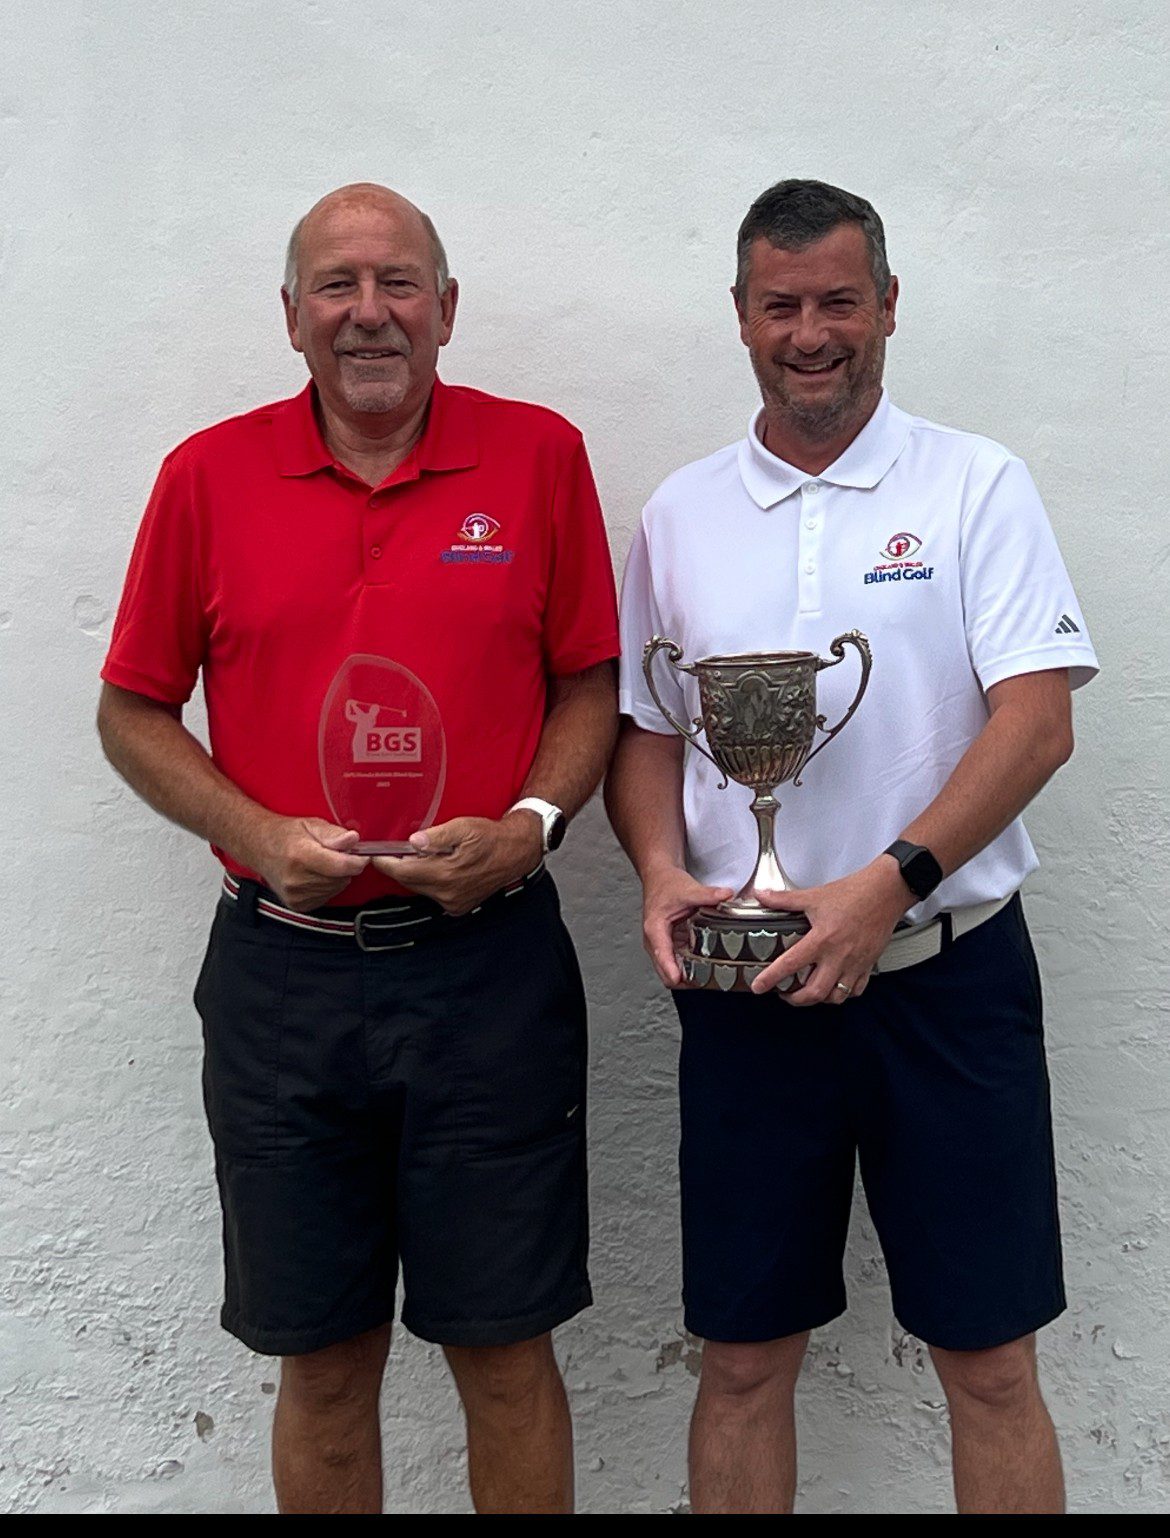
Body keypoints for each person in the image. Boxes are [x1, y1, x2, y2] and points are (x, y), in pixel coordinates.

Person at [98, 183, 619, 1514]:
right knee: (323, 1358)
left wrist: (532, 826)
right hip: (286, 983)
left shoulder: (539, 457)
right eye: (337, 285)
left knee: (504, 1347)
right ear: (290, 318)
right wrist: (257, 834)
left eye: (399, 283)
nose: (369, 311)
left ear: (447, 310)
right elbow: (131, 708)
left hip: (486, 972)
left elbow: (587, 687)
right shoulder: (205, 477)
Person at [605, 178, 1097, 1514]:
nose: (808, 332)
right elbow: (644, 727)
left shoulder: (972, 484)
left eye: (836, 301)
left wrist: (888, 887)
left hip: (946, 980)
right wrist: (658, 871)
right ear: (740, 317)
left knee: (988, 1361)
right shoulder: (679, 514)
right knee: (744, 1357)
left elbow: (1034, 722)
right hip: (748, 992)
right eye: (780, 306)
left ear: (887, 305)